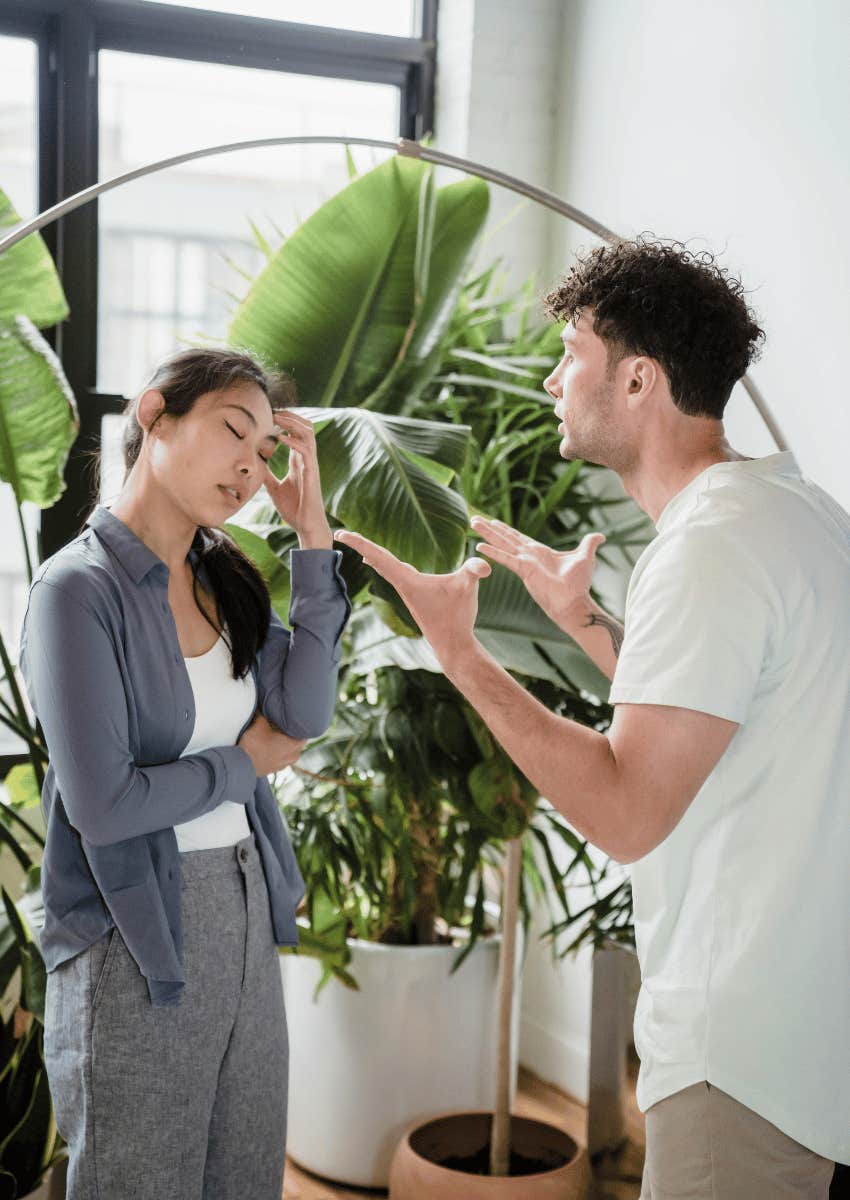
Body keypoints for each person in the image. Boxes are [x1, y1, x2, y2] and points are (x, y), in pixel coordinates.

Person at [333, 237, 850, 1199]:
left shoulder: (711, 551)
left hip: (737, 1054)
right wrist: (587, 622)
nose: (552, 378)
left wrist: (460, 653)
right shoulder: (796, 514)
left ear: (640, 380)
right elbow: (725, 720)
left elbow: (624, 811)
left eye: (572, 351)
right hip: (806, 1030)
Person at [18, 347, 351, 1200]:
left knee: (241, 1177)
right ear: (154, 416)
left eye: (267, 452)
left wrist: (314, 544)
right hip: (133, 933)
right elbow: (106, 804)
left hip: (244, 910)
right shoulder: (74, 591)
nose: (250, 466)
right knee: (139, 1180)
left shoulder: (224, 578)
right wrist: (242, 766)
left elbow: (305, 714)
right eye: (234, 432)